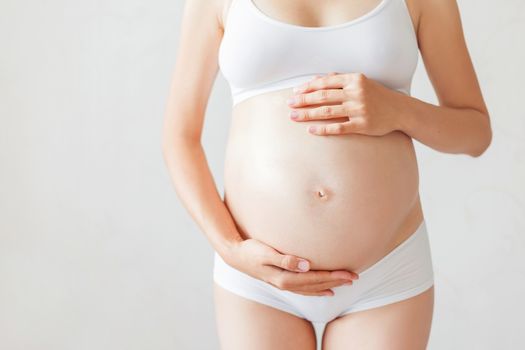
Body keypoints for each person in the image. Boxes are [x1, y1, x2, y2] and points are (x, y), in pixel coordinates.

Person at [162, 0, 492, 348]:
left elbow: (475, 132)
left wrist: (398, 110)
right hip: (259, 279)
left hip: (385, 274)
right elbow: (179, 137)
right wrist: (231, 249)